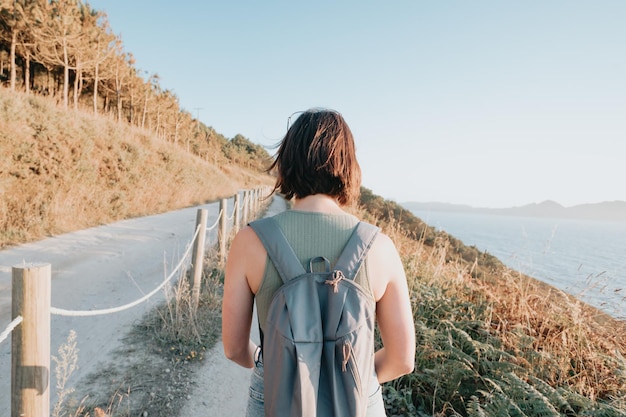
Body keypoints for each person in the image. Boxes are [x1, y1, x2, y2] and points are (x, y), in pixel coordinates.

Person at [222, 108, 415, 416]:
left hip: (274, 393)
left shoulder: (250, 240)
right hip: (357, 399)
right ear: (349, 165)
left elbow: (233, 348)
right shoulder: (379, 246)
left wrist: (275, 365)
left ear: (286, 162)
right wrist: (349, 379)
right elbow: (402, 359)